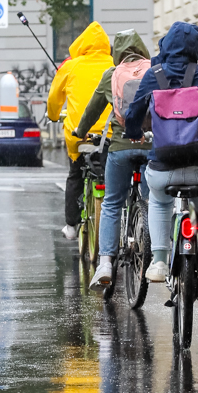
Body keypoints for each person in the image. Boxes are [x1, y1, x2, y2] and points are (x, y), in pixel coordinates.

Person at [124, 21, 198, 306]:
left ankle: (159, 261)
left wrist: (134, 134)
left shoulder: (154, 75)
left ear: (166, 45)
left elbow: (133, 112)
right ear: (196, 48)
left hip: (163, 166)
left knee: (160, 202)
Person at [74, 29, 153, 290]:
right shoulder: (156, 71)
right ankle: (154, 255)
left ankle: (106, 262)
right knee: (154, 202)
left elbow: (92, 110)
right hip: (151, 145)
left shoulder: (111, 75)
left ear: (116, 52)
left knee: (111, 203)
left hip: (120, 146)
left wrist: (81, 131)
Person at [46, 21, 113, 240]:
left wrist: (54, 116)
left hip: (79, 134)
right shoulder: (115, 65)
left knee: (75, 174)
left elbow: (54, 99)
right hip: (109, 134)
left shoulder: (70, 66)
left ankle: (71, 226)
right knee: (113, 173)